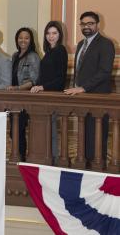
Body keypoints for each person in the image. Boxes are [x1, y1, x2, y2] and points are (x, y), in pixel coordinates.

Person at [64, 11, 115, 169]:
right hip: (82, 98)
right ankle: (85, 166)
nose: (86, 27)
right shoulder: (80, 44)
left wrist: (83, 88)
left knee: (97, 137)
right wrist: (75, 87)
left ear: (97, 25)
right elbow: (79, 70)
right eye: (83, 24)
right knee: (84, 135)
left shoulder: (106, 44)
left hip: (97, 98)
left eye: (90, 23)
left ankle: (98, 169)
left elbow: (104, 71)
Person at [30, 21, 68, 165]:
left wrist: (42, 87)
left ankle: (53, 161)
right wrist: (37, 86)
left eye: (54, 33)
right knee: (45, 130)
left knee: (51, 131)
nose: (51, 36)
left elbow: (60, 80)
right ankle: (46, 159)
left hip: (52, 97)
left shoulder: (60, 50)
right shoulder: (49, 52)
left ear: (60, 35)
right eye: (48, 33)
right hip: (44, 96)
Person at [7, 27, 40, 162]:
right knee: (13, 131)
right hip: (13, 99)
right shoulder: (15, 55)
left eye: (26, 38)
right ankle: (17, 156)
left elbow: (34, 80)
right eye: (20, 37)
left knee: (19, 130)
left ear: (31, 40)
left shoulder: (33, 56)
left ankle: (21, 159)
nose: (23, 40)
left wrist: (18, 88)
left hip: (24, 99)